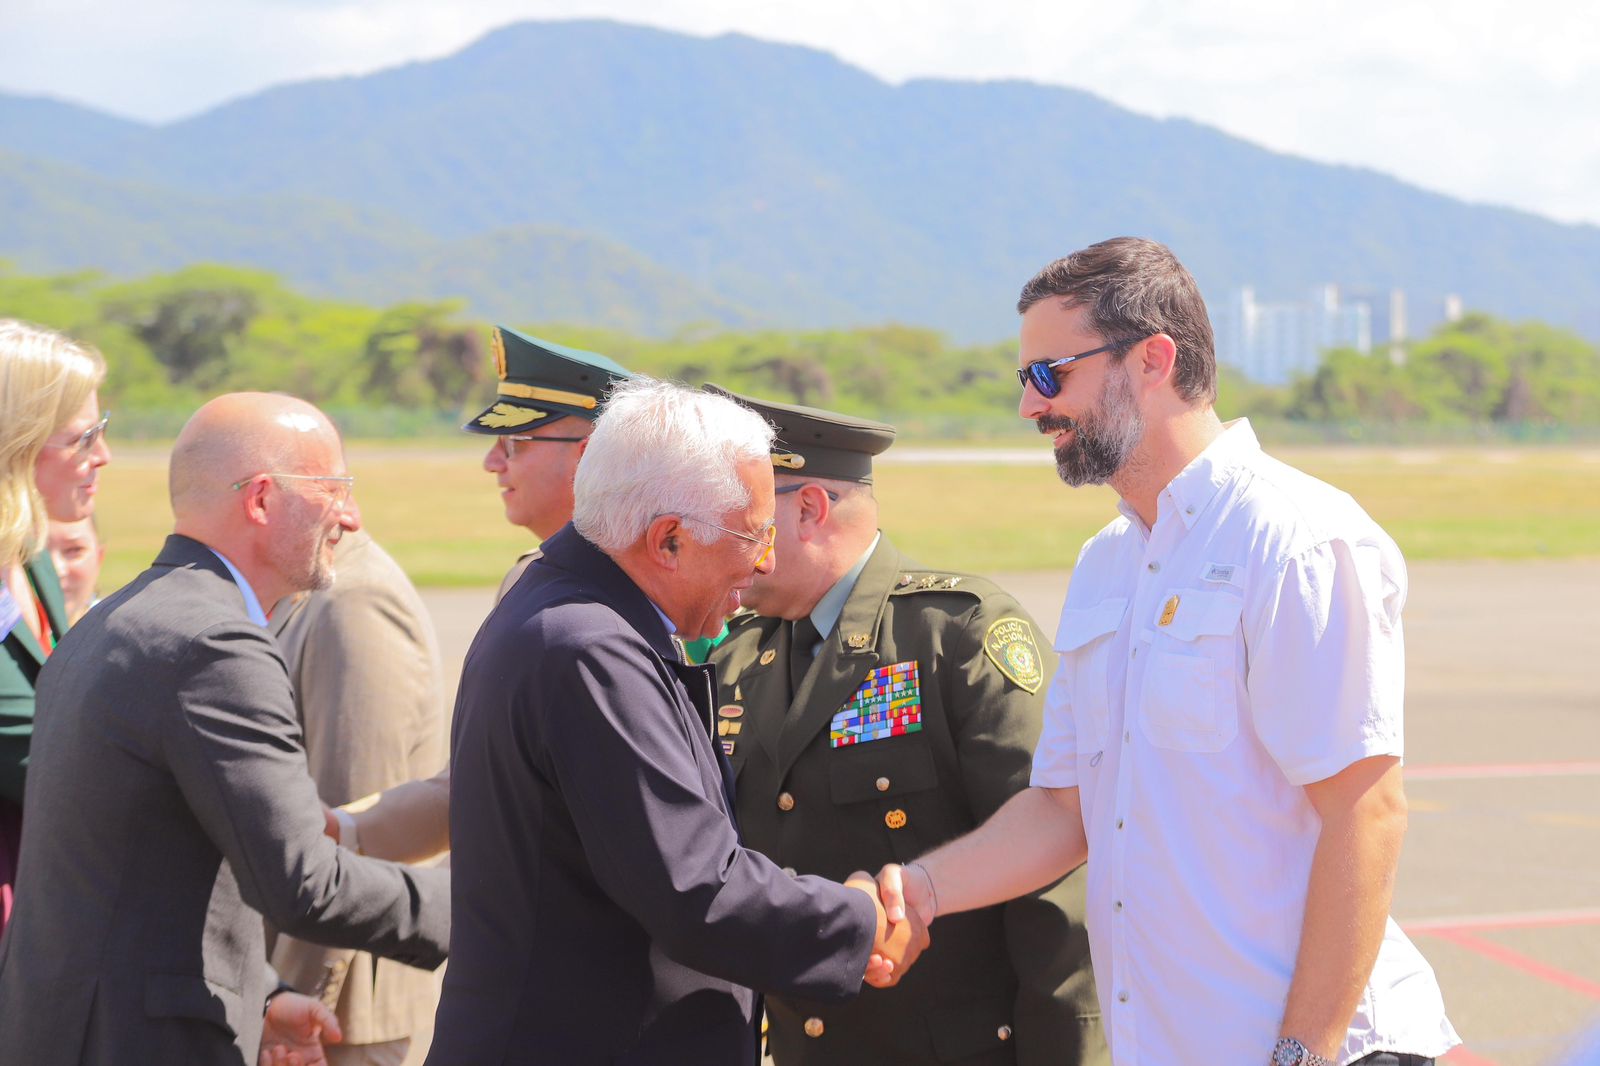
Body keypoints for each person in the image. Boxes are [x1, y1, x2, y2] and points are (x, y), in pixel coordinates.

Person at [876, 238, 1459, 1066]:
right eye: (1024, 379)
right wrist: (920, 892)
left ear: (1152, 359)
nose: (1031, 407)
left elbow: (1365, 809)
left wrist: (1304, 1053)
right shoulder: (1106, 564)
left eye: (1051, 375)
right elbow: (1064, 810)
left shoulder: (1292, 539)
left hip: (1316, 1052)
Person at [427, 377, 928, 1065]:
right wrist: (859, 920)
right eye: (751, 536)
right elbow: (696, 889)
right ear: (668, 542)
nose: (766, 562)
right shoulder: (591, 651)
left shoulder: (564, 607)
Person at [0, 392, 450, 1066]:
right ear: (263, 500)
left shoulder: (116, 620)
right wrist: (487, 902)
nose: (350, 517)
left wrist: (261, 997)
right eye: (334, 489)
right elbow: (303, 883)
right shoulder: (216, 645)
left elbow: (129, 878)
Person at [704, 387, 1105, 1066]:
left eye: (743, 513)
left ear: (808, 509)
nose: (724, 535)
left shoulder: (957, 636)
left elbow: (1057, 884)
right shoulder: (740, 655)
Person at [324, 326, 635, 862]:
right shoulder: (527, 583)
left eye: (514, 442)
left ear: (586, 458)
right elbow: (467, 786)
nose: (493, 463)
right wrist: (330, 831)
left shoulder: (667, 600)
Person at [269, 526, 449, 1066]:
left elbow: (343, 848)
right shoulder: (313, 587)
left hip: (339, 1011)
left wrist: (292, 995)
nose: (494, 463)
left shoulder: (352, 602)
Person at [0, 319, 111, 937]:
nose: (103, 456)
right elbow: (49, 763)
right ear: (14, 442)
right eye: (83, 437)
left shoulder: (31, 555)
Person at [47, 514, 105, 622]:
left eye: (74, 550)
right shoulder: (6, 632)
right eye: (38, 552)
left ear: (99, 557)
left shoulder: (122, 632)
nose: (57, 569)